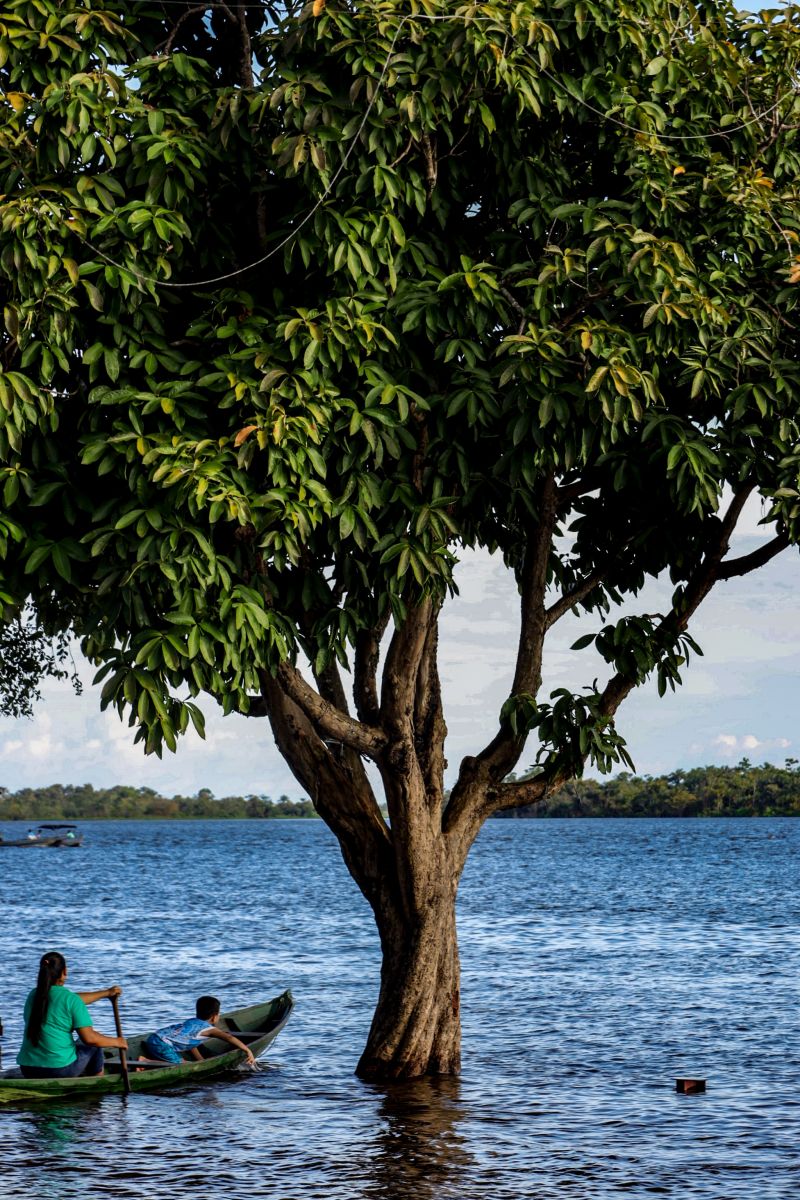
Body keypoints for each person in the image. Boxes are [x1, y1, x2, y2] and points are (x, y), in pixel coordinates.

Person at [16, 951, 127, 1078]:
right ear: (65, 971)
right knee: (95, 1045)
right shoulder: (70, 1000)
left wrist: (106, 993)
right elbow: (90, 1039)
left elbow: (72, 1000)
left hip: (28, 1069)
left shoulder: (33, 995)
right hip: (59, 1070)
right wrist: (117, 1042)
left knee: (84, 1042)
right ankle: (97, 1080)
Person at [141, 995, 256, 1066]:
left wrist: (201, 1061)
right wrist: (248, 1051)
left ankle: (147, 1063)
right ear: (214, 1017)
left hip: (155, 1037)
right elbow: (229, 1037)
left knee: (184, 1060)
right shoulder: (209, 1029)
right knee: (183, 1064)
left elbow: (191, 1045)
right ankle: (145, 1061)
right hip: (162, 1044)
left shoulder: (192, 1022)